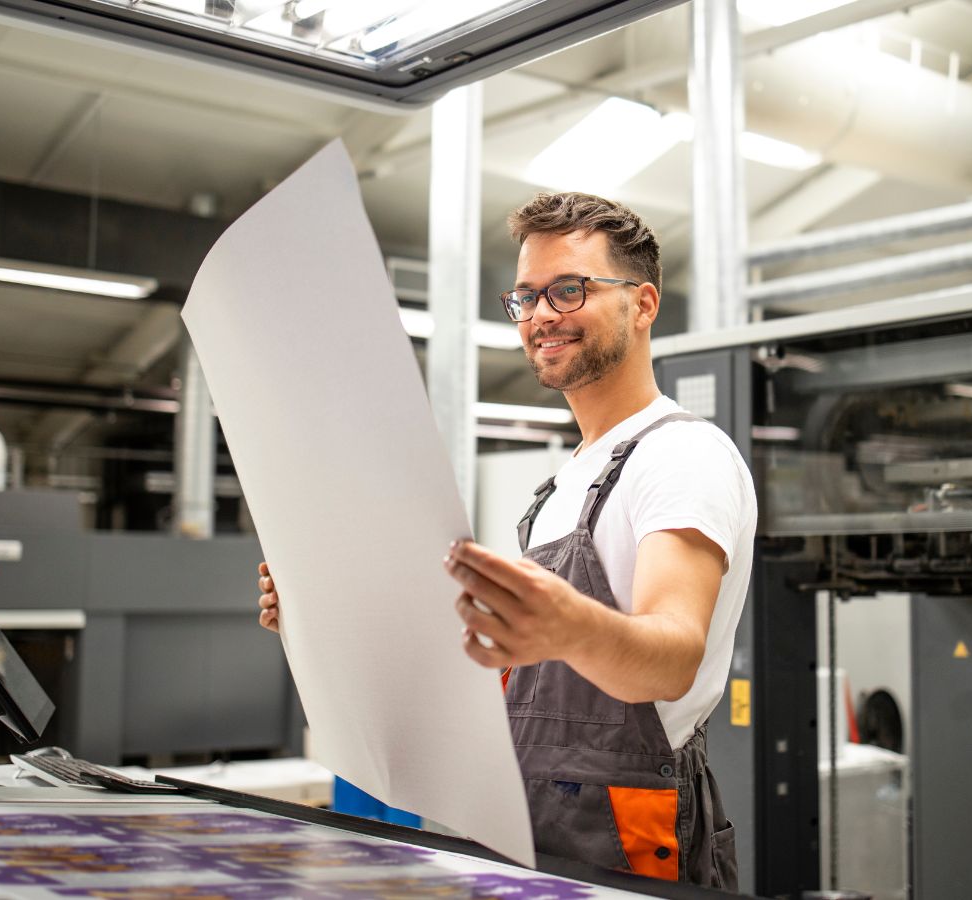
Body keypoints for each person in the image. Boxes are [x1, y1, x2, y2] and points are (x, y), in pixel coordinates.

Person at [258, 192, 754, 889]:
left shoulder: (680, 456)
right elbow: (509, 676)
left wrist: (569, 626)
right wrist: (323, 618)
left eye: (569, 289)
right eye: (526, 297)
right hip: (523, 820)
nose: (542, 315)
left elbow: (672, 656)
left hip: (625, 827)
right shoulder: (561, 487)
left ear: (642, 305)